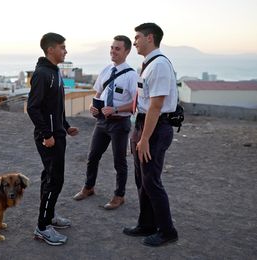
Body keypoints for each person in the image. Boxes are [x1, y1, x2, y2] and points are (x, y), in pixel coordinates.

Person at [122, 23, 179, 247]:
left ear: (150, 38)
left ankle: (167, 231)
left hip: (154, 128)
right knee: (141, 180)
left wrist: (144, 138)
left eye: (137, 37)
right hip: (142, 125)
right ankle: (146, 224)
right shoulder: (148, 64)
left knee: (151, 181)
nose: (134, 41)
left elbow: (156, 105)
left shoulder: (160, 65)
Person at [72, 35, 138, 210]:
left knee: (119, 161)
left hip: (120, 124)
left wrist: (116, 109)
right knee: (92, 156)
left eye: (117, 48)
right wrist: (94, 107)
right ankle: (88, 187)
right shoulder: (106, 70)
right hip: (102, 122)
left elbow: (135, 104)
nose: (113, 51)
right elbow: (98, 94)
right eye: (112, 48)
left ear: (127, 51)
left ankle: (119, 196)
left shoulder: (132, 75)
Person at [27, 32, 79, 246]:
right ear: (51, 49)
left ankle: (49, 216)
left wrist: (65, 126)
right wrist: (47, 135)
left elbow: (55, 107)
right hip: (48, 137)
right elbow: (33, 107)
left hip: (57, 133)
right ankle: (42, 227)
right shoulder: (42, 74)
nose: (65, 51)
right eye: (62, 47)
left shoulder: (55, 72)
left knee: (49, 176)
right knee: (55, 179)